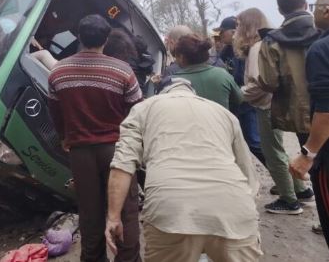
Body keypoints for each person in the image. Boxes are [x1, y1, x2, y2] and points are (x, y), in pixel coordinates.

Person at [104, 78, 262, 262]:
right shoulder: (224, 114)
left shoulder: (143, 108)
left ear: (161, 92)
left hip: (172, 211)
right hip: (234, 207)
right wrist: (248, 211)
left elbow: (122, 164)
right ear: (193, 93)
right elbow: (248, 173)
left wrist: (114, 217)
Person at [48, 15, 143, 262]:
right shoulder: (122, 71)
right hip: (117, 151)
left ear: (79, 37)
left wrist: (64, 138)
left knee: (90, 213)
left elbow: (56, 112)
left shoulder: (58, 71)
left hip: (80, 153)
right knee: (125, 210)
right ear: (106, 38)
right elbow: (137, 112)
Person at [237, 8, 312, 214]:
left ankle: (289, 200)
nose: (236, 30)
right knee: (278, 150)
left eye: (238, 25)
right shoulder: (270, 43)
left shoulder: (257, 48)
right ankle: (300, 190)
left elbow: (259, 84)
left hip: (265, 106)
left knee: (273, 153)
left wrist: (238, 94)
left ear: (246, 26)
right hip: (276, 104)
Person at [290, 0, 329, 247]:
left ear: (326, 10)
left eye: (315, 6)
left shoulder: (321, 50)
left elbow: (326, 110)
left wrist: (308, 154)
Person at [258, 0, 320, 145]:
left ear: (279, 10)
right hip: (324, 109)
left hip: (298, 113)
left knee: (310, 161)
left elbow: (269, 82)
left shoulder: (271, 41)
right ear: (306, 5)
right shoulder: (323, 32)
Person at [217, 16, 267, 167]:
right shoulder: (225, 52)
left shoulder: (244, 51)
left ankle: (288, 179)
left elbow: (250, 80)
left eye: (222, 32)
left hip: (246, 102)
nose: (220, 36)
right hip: (235, 101)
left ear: (233, 32)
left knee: (254, 141)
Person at [172, 34, 242, 112]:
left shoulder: (173, 82)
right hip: (220, 123)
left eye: (175, 56)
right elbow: (239, 99)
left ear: (181, 57)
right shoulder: (222, 74)